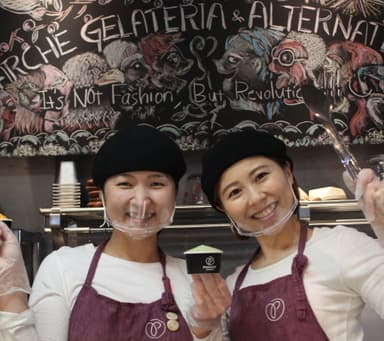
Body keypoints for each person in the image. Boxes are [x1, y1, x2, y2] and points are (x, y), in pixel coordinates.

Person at [0, 125, 231, 341]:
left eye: (157, 184)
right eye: (125, 184)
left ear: (174, 195)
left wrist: (205, 328)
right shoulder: (63, 268)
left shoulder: (194, 280)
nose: (141, 200)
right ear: (101, 196)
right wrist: (11, 293)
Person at [200, 128, 384, 340]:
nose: (256, 197)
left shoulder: (343, 246)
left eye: (261, 176)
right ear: (224, 208)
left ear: (288, 172)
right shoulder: (232, 287)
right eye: (234, 192)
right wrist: (203, 329)